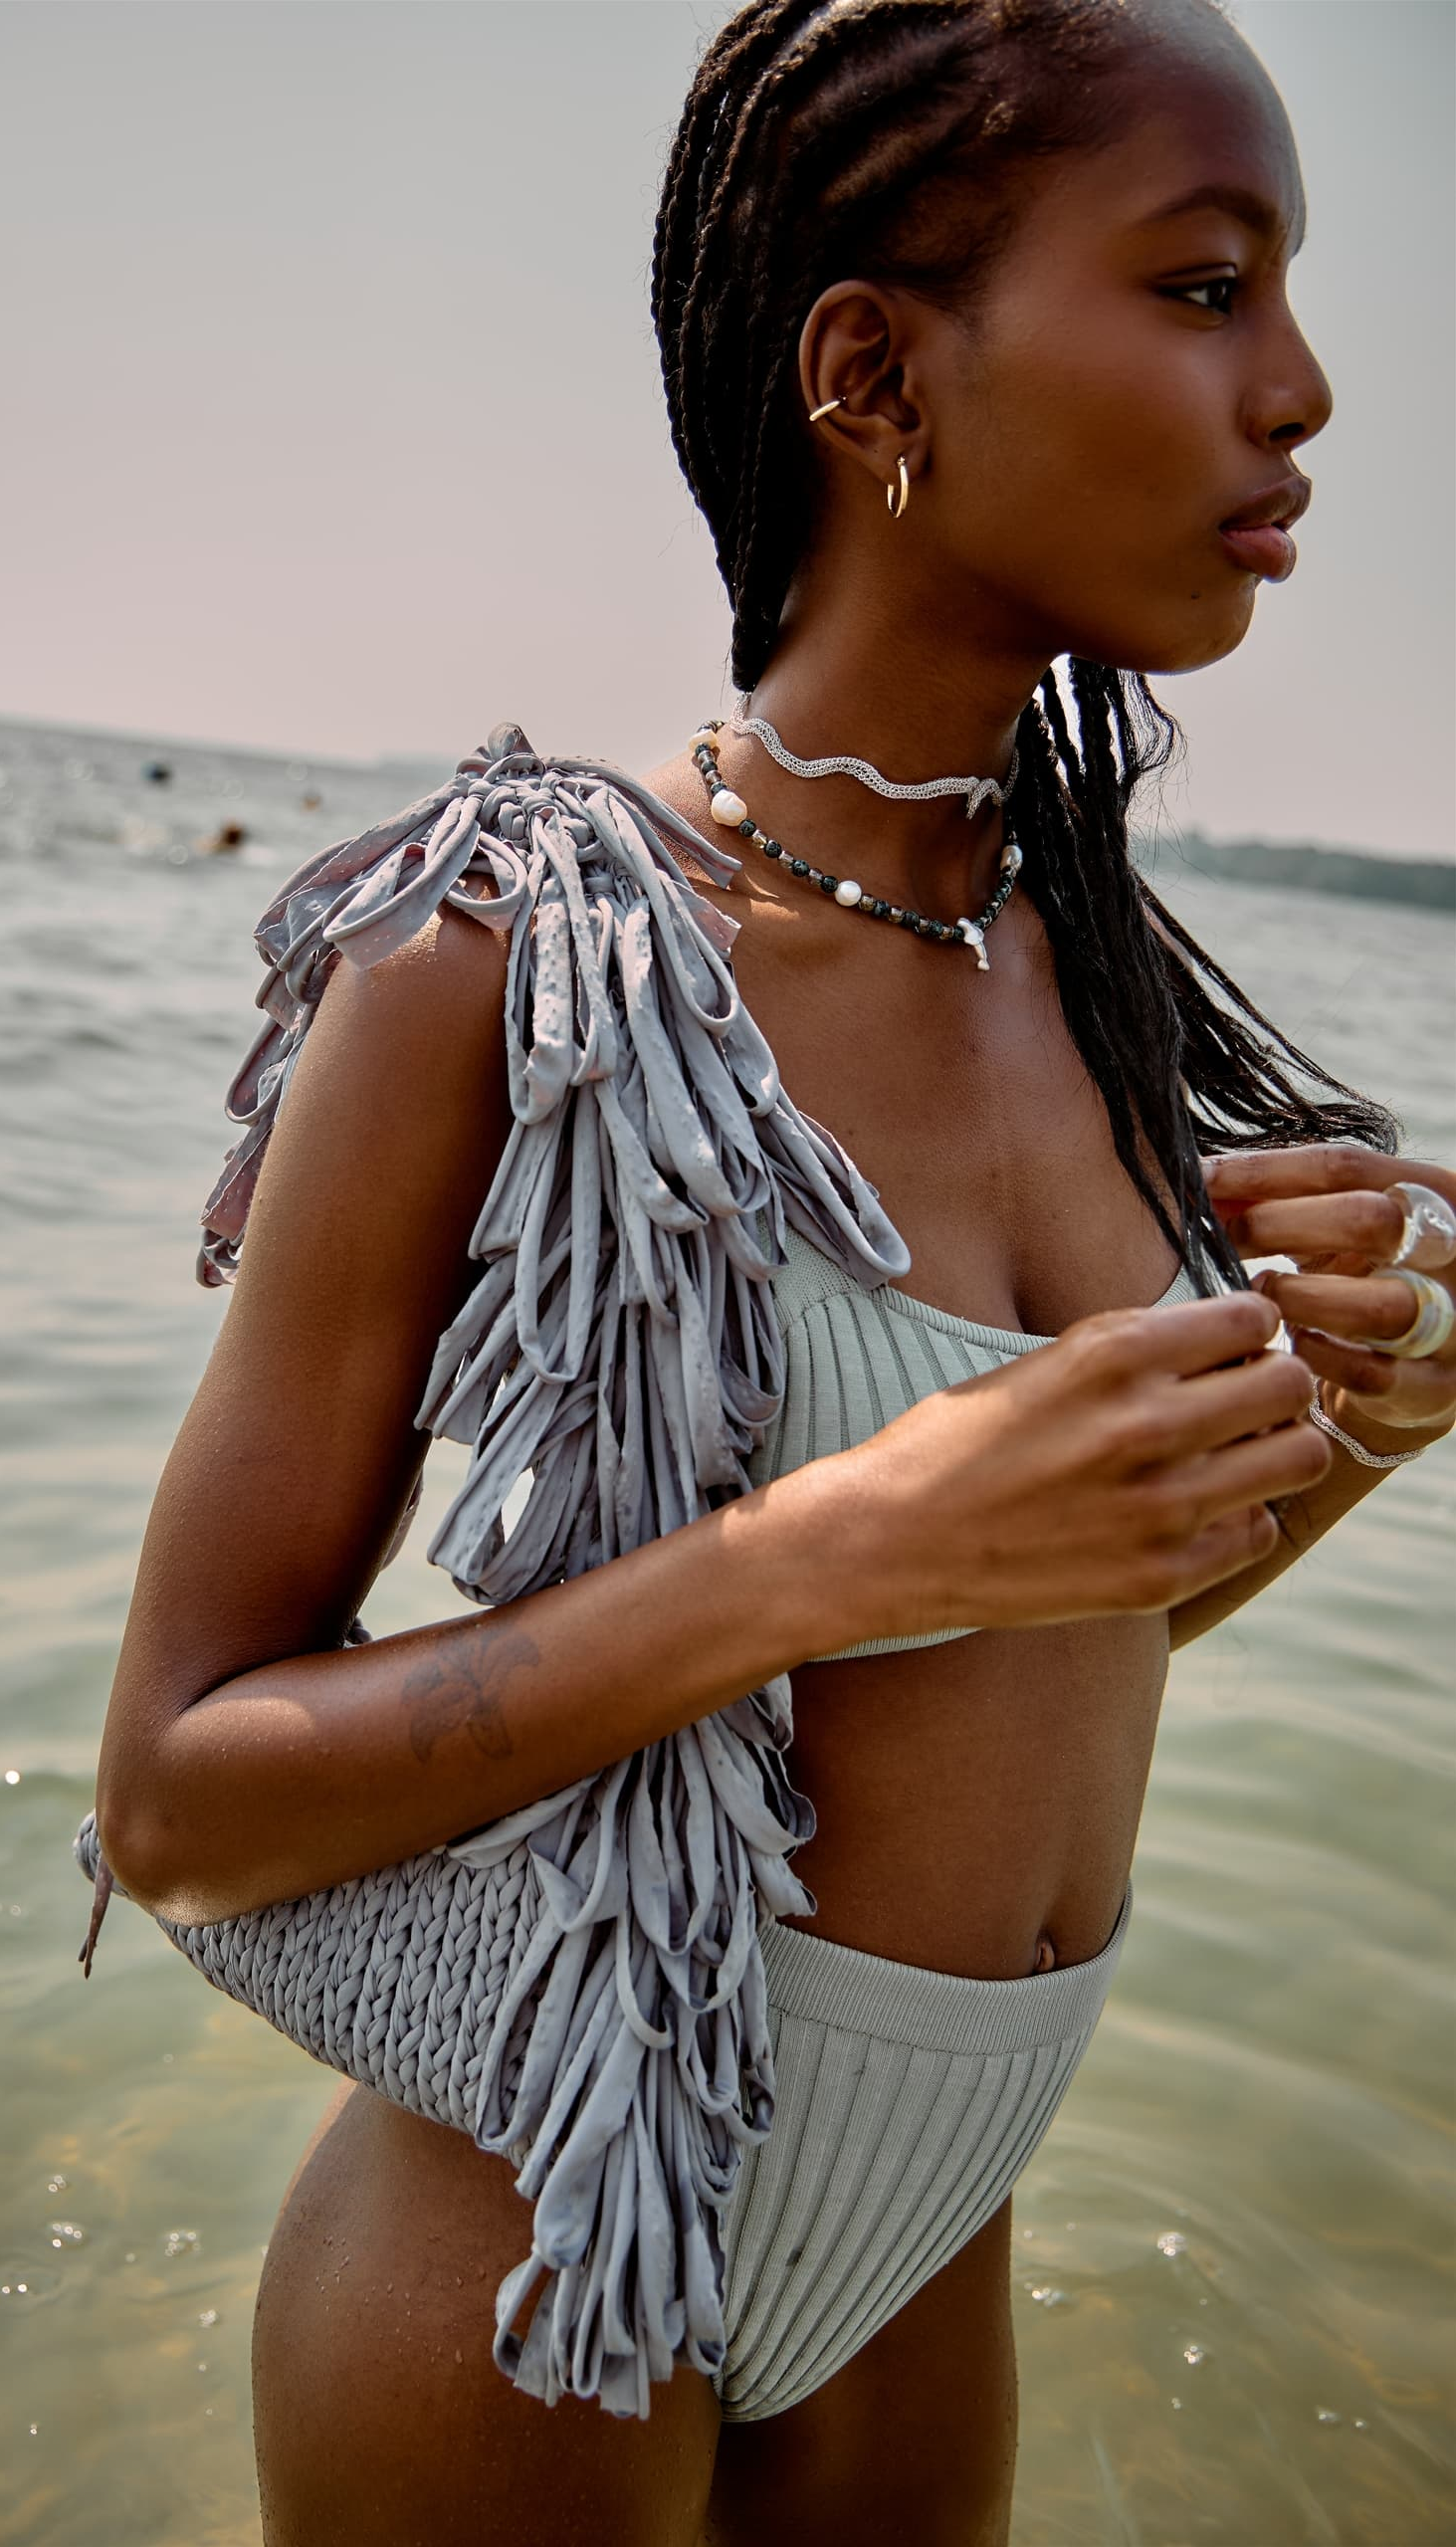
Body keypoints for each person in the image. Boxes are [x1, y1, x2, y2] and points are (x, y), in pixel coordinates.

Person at [89, 2, 1456, 2539]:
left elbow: (1033, 1647)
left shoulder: (1090, 981)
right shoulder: (515, 952)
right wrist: (835, 1544)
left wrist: (1346, 1438)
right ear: (868, 371)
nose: (1303, 390)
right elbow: (172, 1796)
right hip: (553, 2231)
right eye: (1199, 287)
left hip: (931, 2221)